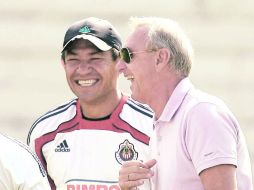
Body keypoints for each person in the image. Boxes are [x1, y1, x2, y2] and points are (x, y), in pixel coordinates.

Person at [117, 17, 253, 190]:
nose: (120, 66)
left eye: (128, 55)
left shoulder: (201, 114)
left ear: (161, 58)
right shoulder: (161, 123)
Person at [26, 17, 154, 190]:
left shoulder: (152, 127)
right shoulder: (43, 133)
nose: (84, 69)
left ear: (119, 62)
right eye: (74, 60)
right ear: (63, 64)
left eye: (95, 58)